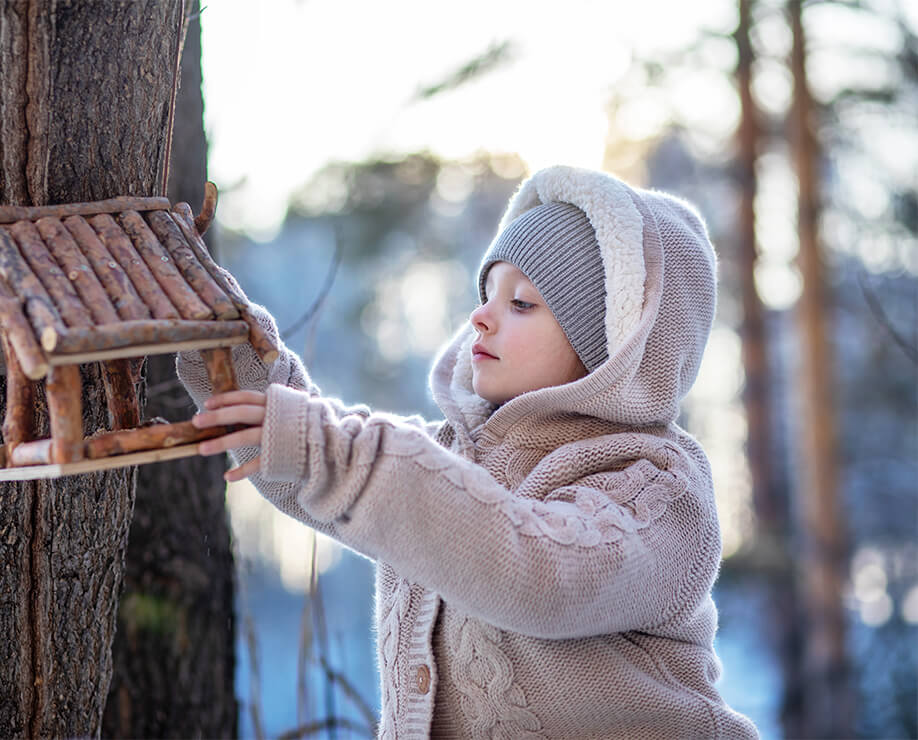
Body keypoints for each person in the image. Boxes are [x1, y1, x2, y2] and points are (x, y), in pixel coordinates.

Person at [177, 165, 760, 739]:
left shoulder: (658, 489)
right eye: (487, 294)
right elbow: (326, 482)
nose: (480, 317)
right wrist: (237, 363)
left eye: (523, 303)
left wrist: (335, 448)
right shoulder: (456, 456)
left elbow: (544, 574)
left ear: (608, 345)